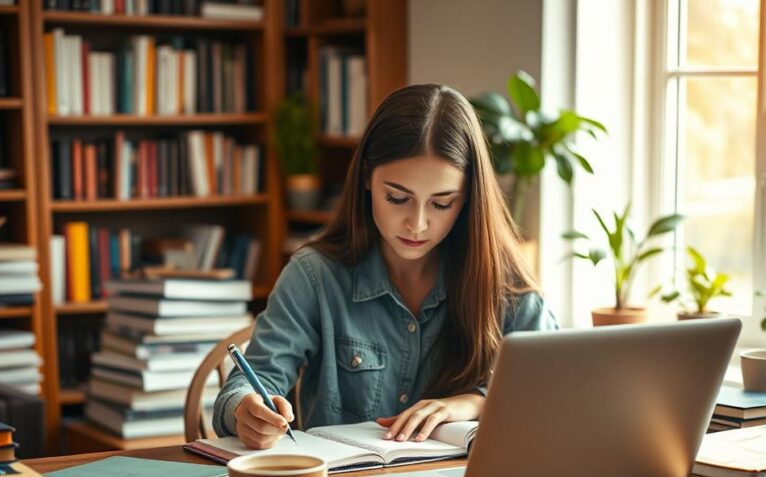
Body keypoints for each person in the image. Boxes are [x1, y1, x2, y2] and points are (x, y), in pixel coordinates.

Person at [213, 83, 559, 449]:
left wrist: (475, 401)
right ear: (366, 177)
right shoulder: (315, 276)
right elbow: (253, 381)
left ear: (469, 197)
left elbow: (560, 390)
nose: (417, 223)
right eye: (397, 198)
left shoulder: (504, 280)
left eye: (442, 203)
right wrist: (245, 409)